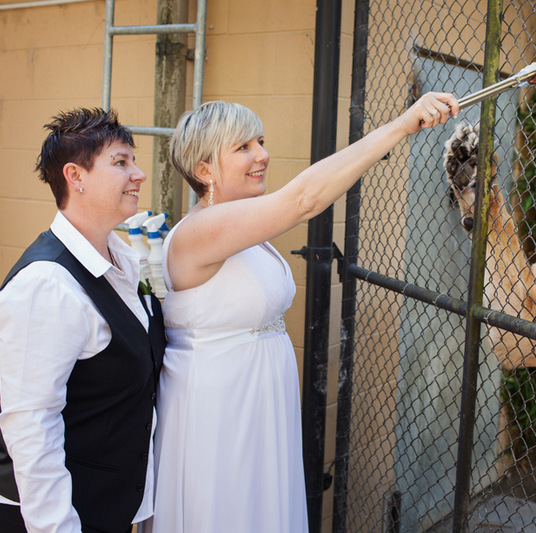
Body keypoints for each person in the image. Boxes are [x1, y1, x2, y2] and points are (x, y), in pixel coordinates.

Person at [143, 92, 458, 532]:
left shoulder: (243, 224)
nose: (263, 155)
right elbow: (304, 200)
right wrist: (402, 125)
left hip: (257, 401)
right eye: (244, 147)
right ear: (203, 170)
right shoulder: (200, 230)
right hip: (219, 409)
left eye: (260, 141)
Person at [0, 108, 166, 533]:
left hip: (105, 507)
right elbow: (31, 426)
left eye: (133, 161)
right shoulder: (46, 284)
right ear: (75, 176)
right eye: (121, 162)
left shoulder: (122, 259)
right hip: (43, 516)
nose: (138, 174)